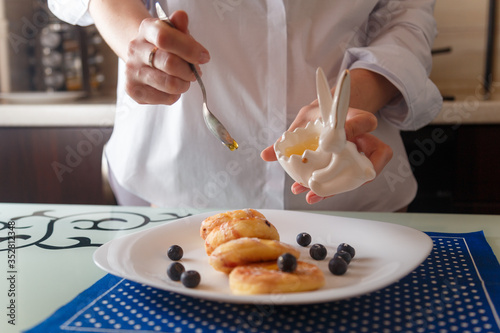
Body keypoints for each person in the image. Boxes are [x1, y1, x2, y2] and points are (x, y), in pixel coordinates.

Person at [48, 0, 442, 212]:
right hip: (176, 193)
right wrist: (138, 41)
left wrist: (343, 108)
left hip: (356, 207)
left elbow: (406, 23)